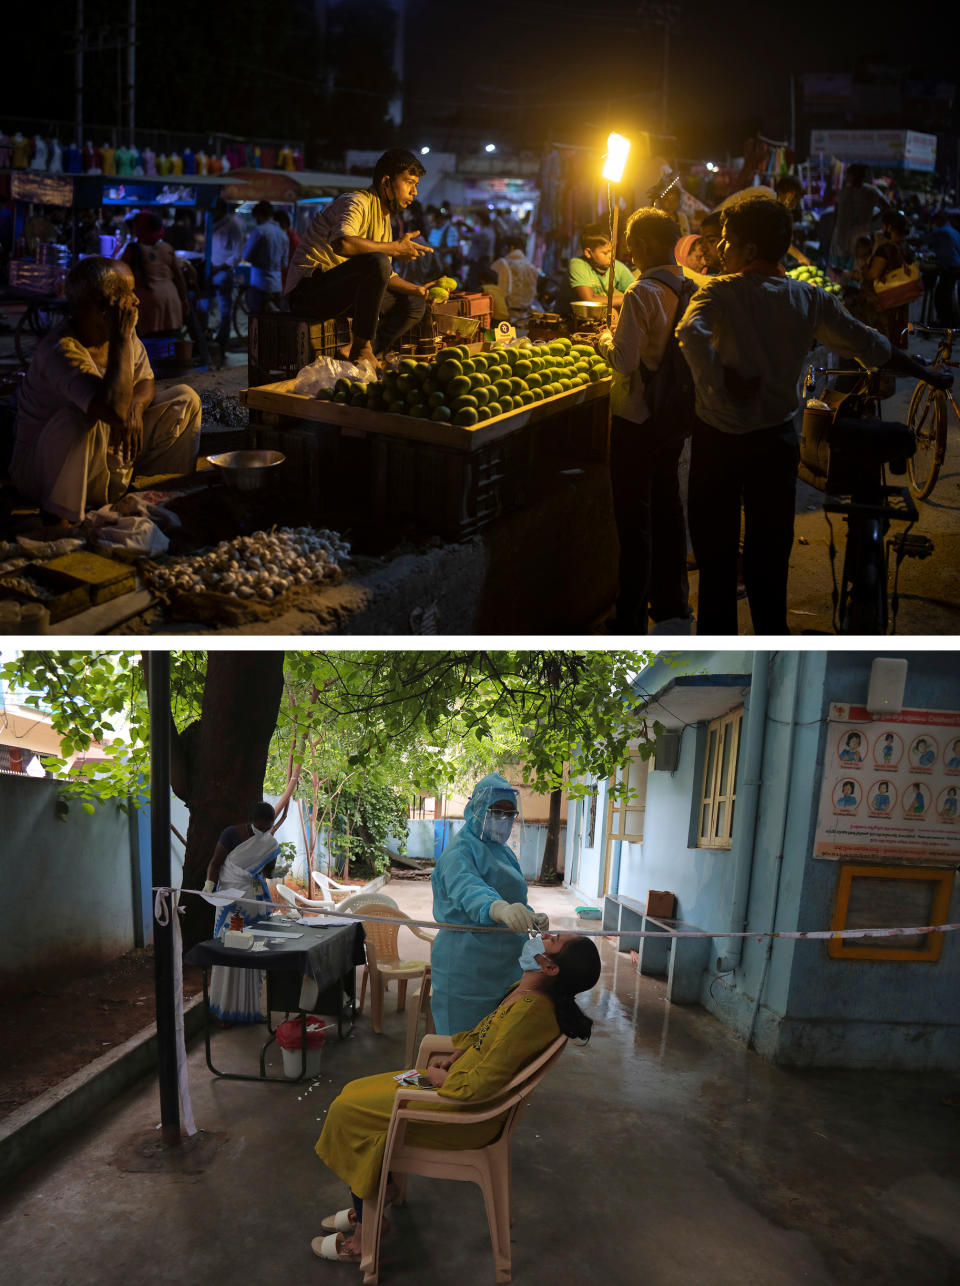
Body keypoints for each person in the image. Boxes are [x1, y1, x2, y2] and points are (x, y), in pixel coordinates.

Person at [676, 198, 952, 635]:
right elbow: (872, 346)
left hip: (718, 444)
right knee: (769, 563)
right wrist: (927, 374)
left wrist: (720, 382)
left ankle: (716, 647)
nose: (721, 251)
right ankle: (771, 640)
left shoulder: (719, 291)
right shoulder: (807, 299)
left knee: (716, 564)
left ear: (747, 250)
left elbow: (690, 334)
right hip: (775, 444)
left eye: (727, 242)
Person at [311, 931, 602, 1264]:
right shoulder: (521, 995)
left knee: (348, 1111)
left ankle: (364, 1235)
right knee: (354, 1091)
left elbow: (475, 1089)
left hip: (462, 1115)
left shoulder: (529, 1013)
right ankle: (381, 1189)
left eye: (553, 940)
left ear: (550, 968)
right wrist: (456, 1054)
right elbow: (487, 1035)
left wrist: (439, 1077)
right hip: (453, 1087)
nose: (544, 934)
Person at [10, 257, 201, 523]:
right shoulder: (62, 350)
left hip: (108, 457)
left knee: (185, 399)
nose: (136, 300)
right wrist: (121, 337)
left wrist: (135, 406)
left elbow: (145, 381)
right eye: (128, 294)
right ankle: (64, 520)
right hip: (45, 475)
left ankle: (161, 498)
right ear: (103, 306)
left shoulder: (122, 334)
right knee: (80, 417)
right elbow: (111, 409)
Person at [595, 207, 693, 634]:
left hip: (637, 420)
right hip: (672, 418)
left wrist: (602, 338)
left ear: (649, 243)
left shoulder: (640, 293)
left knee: (634, 522)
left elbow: (624, 359)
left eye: (632, 243)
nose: (629, 252)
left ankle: (630, 616)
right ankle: (672, 606)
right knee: (668, 510)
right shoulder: (690, 287)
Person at [284, 149, 431, 368]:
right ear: (387, 181)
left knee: (415, 304)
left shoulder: (384, 219)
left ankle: (359, 348)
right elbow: (342, 242)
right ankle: (362, 348)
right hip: (307, 293)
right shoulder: (355, 202)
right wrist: (394, 248)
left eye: (416, 185)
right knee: (378, 260)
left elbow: (384, 276)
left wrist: (418, 290)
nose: (414, 192)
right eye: (409, 182)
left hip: (344, 296)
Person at [430, 773, 549, 1036]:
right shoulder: (459, 852)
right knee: (462, 1048)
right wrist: (499, 909)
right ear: (478, 810)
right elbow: (468, 888)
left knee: (497, 1045)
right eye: (497, 812)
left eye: (510, 813)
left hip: (508, 967)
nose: (504, 820)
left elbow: (514, 898)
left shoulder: (503, 851)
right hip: (467, 969)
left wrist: (528, 916)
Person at [202, 801, 280, 1024]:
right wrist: (210, 883)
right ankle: (224, 1012)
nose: (263, 831)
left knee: (252, 950)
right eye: (260, 827)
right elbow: (216, 862)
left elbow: (267, 871)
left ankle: (250, 1009)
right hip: (230, 900)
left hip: (253, 901)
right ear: (251, 821)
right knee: (231, 948)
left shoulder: (269, 843)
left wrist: (276, 870)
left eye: (267, 828)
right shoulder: (231, 834)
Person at [120, 211, 189, 336]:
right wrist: (184, 300)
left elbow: (120, 275)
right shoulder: (167, 248)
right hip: (172, 303)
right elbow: (179, 277)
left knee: (147, 350)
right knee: (170, 348)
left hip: (147, 306)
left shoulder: (132, 250)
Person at [860, 210, 916, 347]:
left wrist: (864, 270)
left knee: (883, 340)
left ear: (889, 227)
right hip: (900, 301)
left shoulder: (885, 249)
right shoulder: (907, 248)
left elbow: (874, 274)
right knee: (896, 336)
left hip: (884, 303)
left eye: (884, 225)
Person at [563, 222, 634, 317]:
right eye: (605, 253)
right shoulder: (577, 264)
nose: (611, 256)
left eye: (612, 251)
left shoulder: (617, 267)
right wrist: (627, 298)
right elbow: (589, 300)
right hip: (570, 320)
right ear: (588, 252)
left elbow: (637, 294)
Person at [829, 164, 889, 269]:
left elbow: (887, 208)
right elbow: (836, 213)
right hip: (840, 235)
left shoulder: (871, 192)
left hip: (859, 236)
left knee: (856, 267)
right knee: (837, 269)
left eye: (854, 174)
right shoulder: (843, 192)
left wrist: (871, 223)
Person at [203, 198, 244, 350]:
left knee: (224, 309)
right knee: (204, 306)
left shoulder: (233, 225)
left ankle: (222, 341)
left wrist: (219, 267)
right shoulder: (211, 222)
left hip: (223, 272)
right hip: (210, 271)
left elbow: (237, 254)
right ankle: (205, 337)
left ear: (220, 209)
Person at [243, 201, 289, 314]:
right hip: (277, 285)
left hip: (260, 283)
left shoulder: (260, 231)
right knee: (273, 323)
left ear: (259, 215)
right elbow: (284, 263)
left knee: (257, 321)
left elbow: (247, 256)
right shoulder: (283, 234)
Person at [925, 210, 960, 326]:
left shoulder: (941, 232)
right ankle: (949, 321)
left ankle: (946, 323)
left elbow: (926, 243)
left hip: (951, 268)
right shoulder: (954, 231)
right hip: (955, 267)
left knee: (942, 296)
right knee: (948, 295)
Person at [490, 236, 540, 313]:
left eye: (505, 247)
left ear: (511, 247)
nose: (503, 250)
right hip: (525, 316)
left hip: (506, 315)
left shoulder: (501, 264)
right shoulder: (531, 267)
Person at [275, 208, 299, 290]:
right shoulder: (289, 237)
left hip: (287, 280)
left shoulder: (292, 239)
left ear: (283, 223)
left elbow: (291, 263)